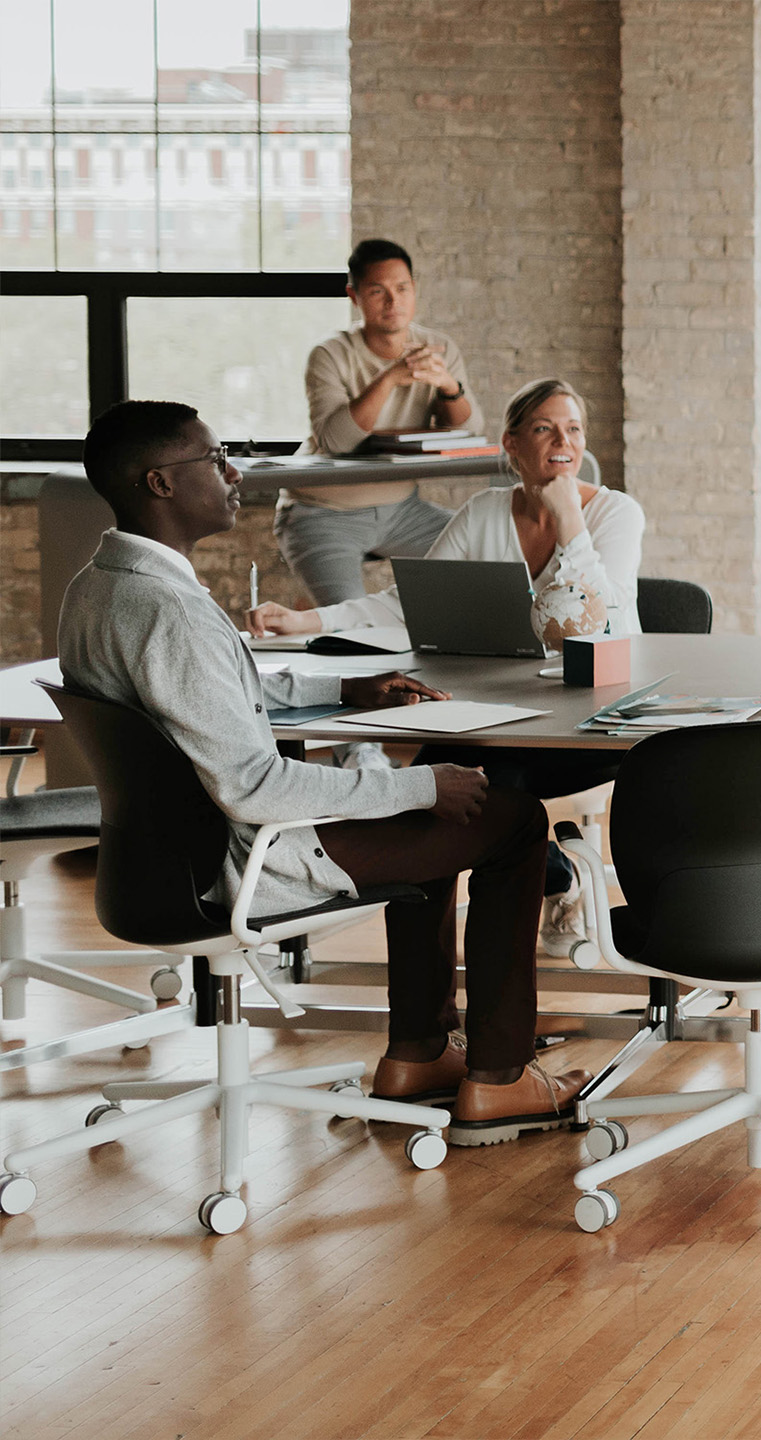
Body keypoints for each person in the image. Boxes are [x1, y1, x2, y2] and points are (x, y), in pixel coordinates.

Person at [61, 400, 589, 1146]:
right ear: (160, 483)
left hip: (171, 855)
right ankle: (501, 1080)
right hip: (246, 858)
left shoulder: (102, 585)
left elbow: (209, 695)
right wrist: (419, 787)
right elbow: (253, 785)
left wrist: (343, 689)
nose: (233, 472)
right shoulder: (168, 609)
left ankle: (419, 1053)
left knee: (438, 816)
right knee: (510, 820)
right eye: (213, 461)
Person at [248, 378, 646, 956]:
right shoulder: (485, 512)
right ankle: (426, 1011)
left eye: (574, 429)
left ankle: (507, 983)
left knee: (486, 793)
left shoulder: (614, 514)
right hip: (495, 716)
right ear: (510, 446)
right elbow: (410, 600)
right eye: (544, 428)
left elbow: (605, 621)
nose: (563, 441)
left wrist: (569, 520)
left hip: (583, 725)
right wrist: (308, 621)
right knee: (427, 795)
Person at [276, 237, 476, 610]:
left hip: (402, 509)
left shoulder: (437, 347)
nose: (393, 301)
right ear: (354, 296)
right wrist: (389, 378)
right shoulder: (329, 354)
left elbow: (469, 433)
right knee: (349, 628)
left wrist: (449, 386)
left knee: (487, 555)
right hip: (322, 512)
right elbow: (336, 440)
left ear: (414, 289)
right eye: (377, 291)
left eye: (402, 289)